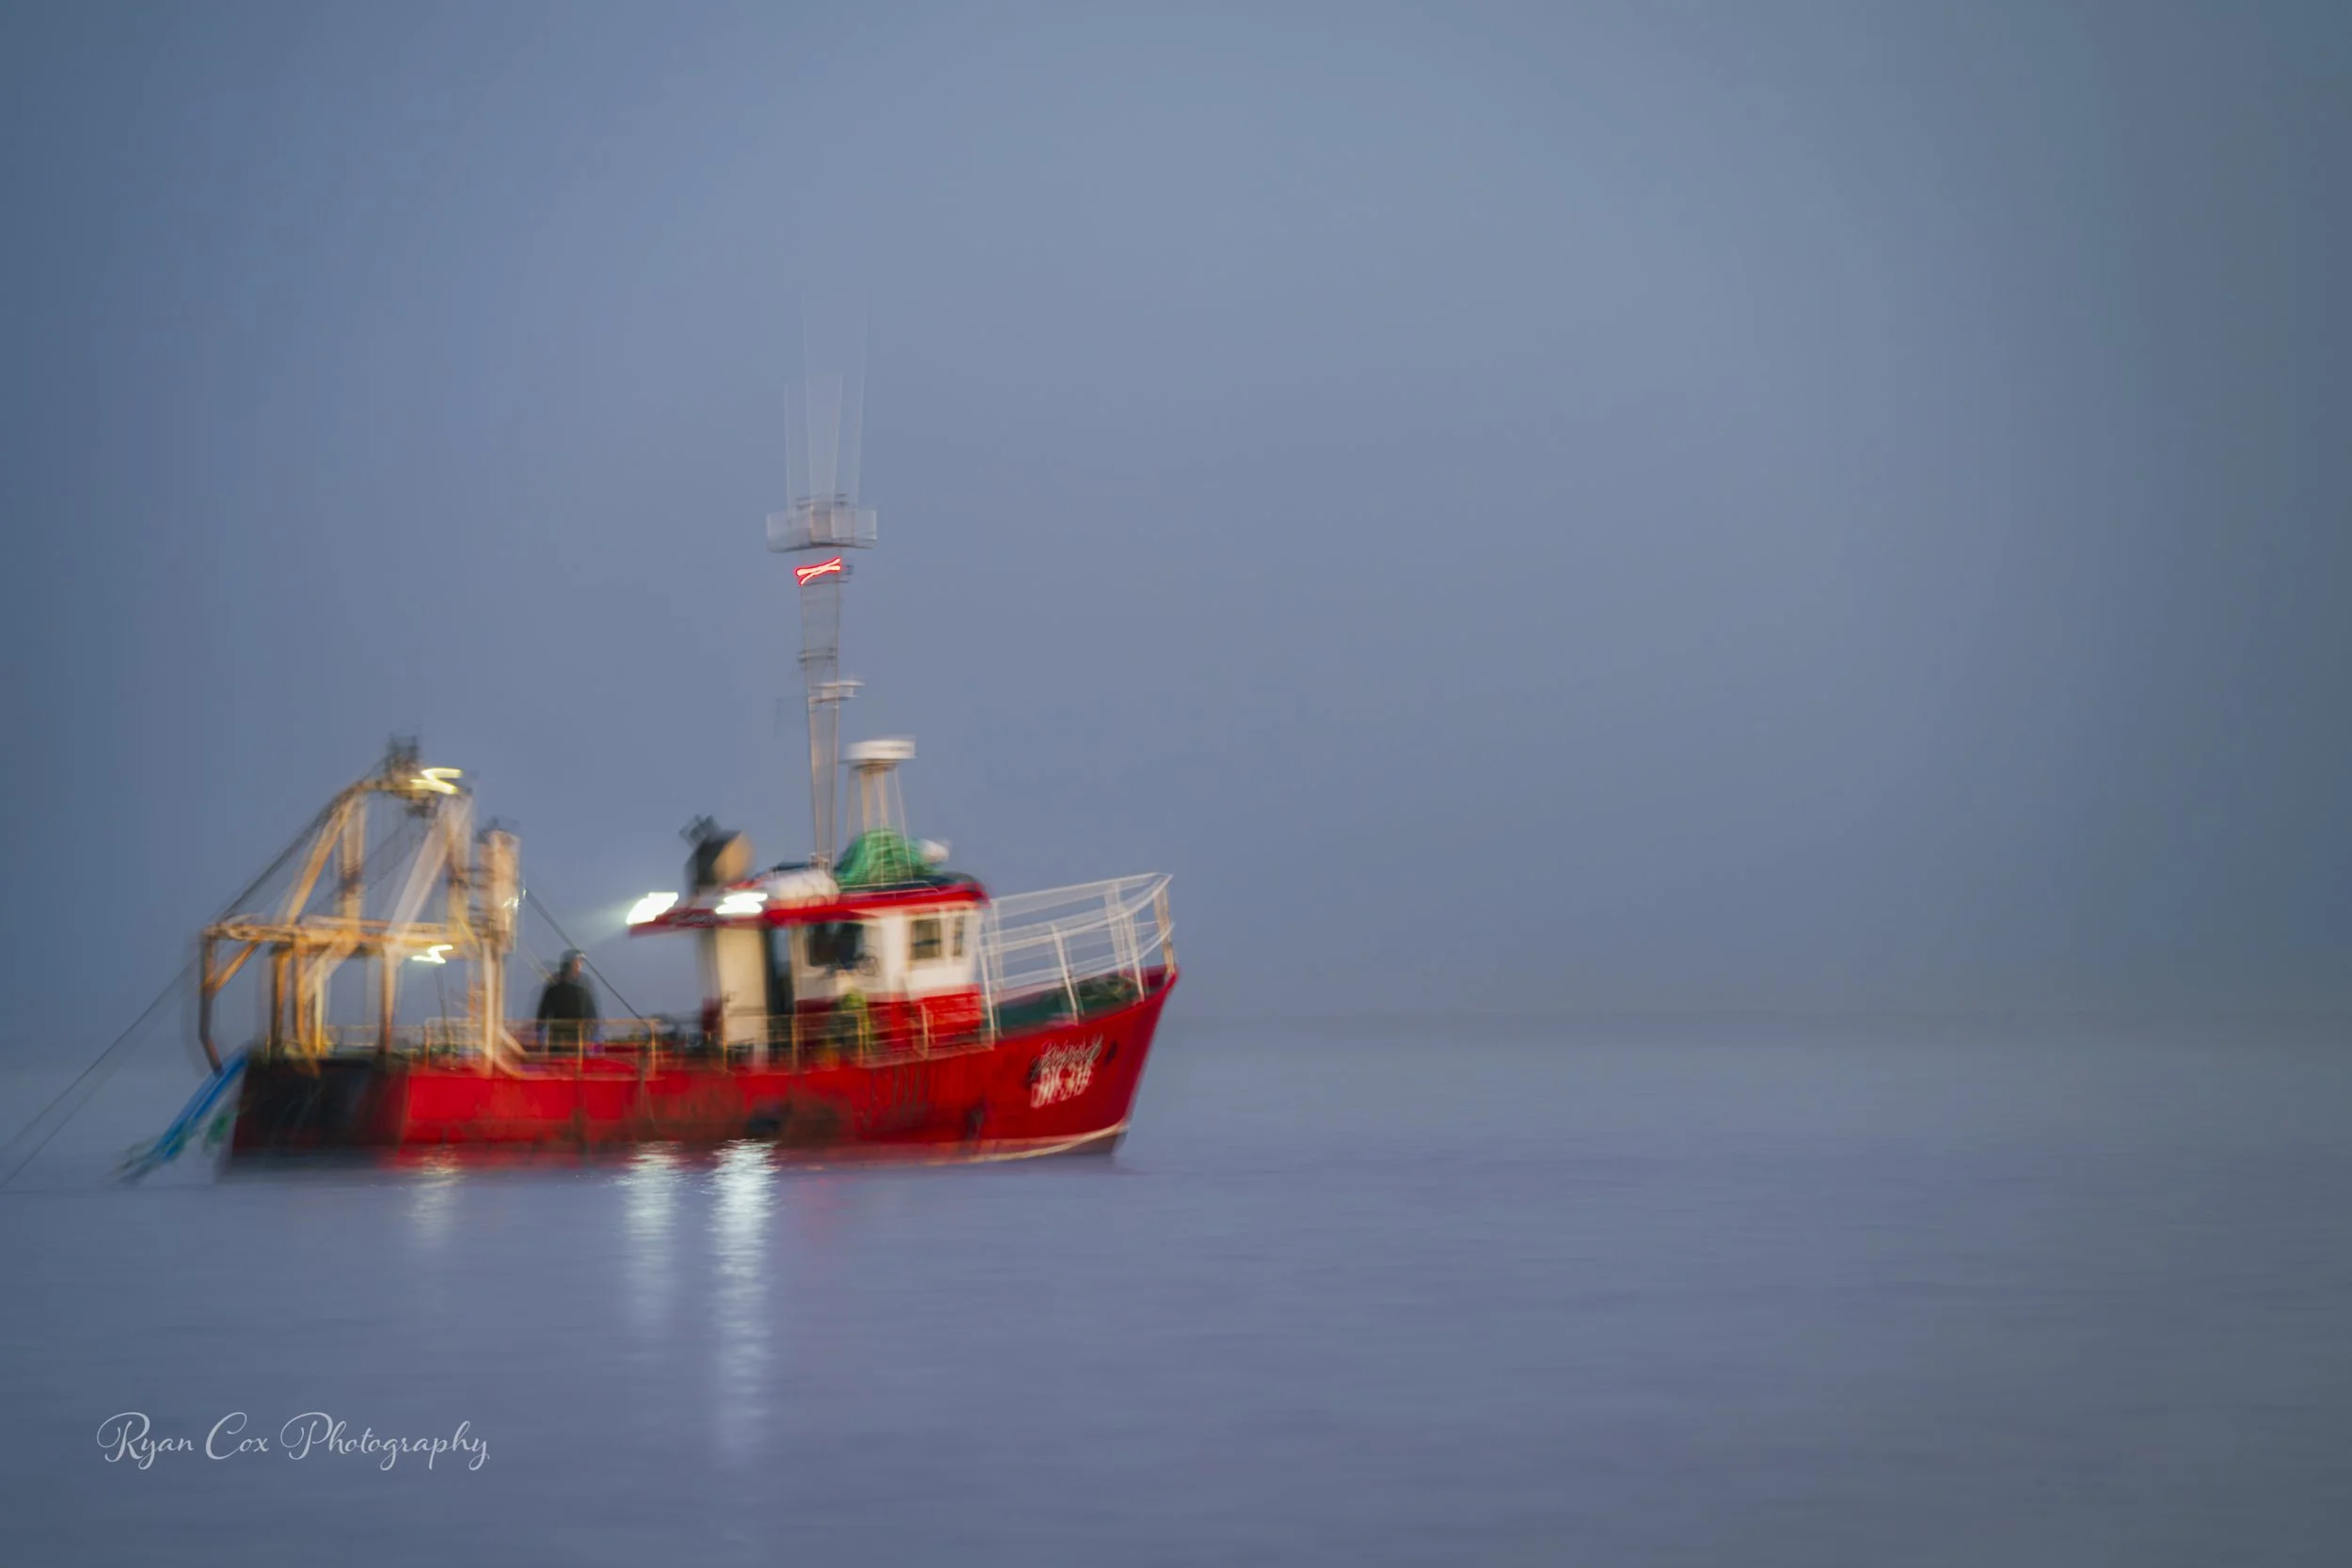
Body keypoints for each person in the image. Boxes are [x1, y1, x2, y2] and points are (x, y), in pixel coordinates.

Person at [535, 950, 598, 1054]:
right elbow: (542, 1015)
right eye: (577, 961)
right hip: (558, 1040)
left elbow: (592, 1014)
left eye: (580, 962)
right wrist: (540, 1038)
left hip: (580, 1039)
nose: (579, 965)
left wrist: (593, 1037)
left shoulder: (584, 986)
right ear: (569, 964)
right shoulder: (554, 987)